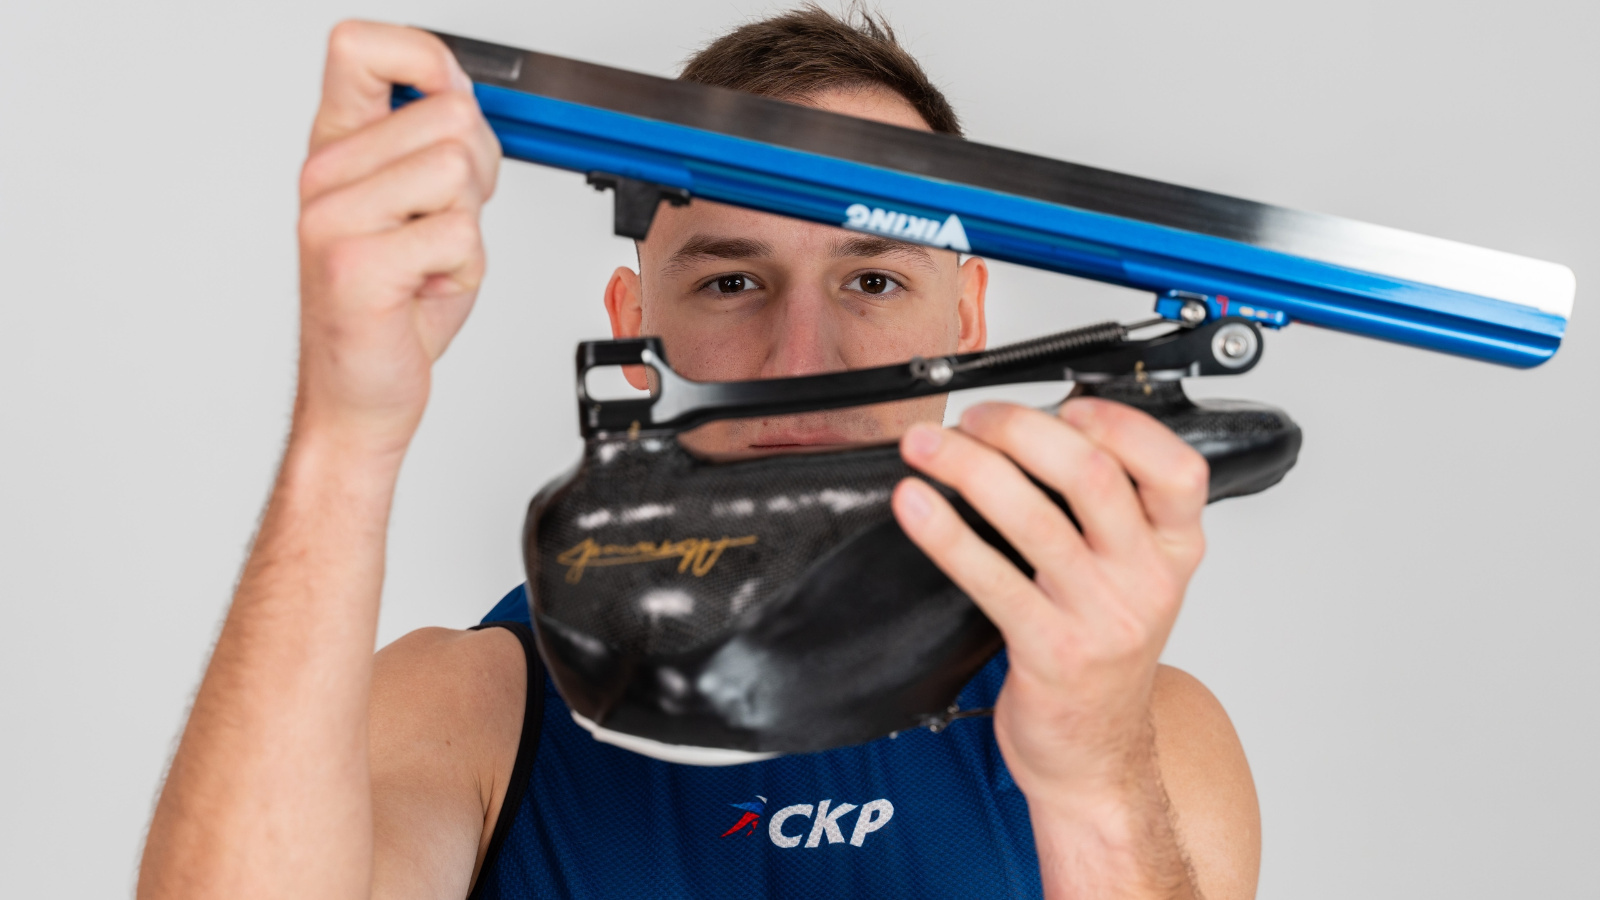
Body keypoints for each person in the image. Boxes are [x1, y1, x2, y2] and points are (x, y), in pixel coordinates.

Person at [137, 8, 1260, 899]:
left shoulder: (1151, 743)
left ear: (965, 318)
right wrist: (346, 432)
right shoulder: (469, 712)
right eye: (731, 280)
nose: (802, 358)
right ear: (636, 330)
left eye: (873, 280)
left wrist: (1095, 784)